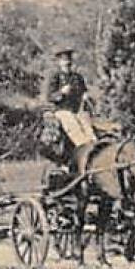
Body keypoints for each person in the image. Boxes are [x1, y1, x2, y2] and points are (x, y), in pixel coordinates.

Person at [43, 44, 97, 174]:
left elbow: (84, 91)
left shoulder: (77, 77)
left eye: (69, 60)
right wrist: (61, 93)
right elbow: (49, 96)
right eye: (64, 60)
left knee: (89, 127)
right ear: (59, 62)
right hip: (62, 110)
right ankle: (83, 150)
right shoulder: (55, 77)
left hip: (78, 110)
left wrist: (86, 96)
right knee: (73, 127)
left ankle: (94, 148)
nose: (67, 62)